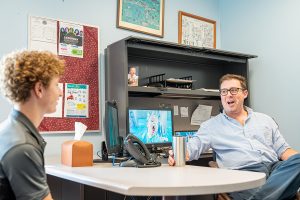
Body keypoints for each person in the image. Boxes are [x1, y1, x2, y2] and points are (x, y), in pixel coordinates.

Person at [168, 74, 300, 200]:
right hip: (243, 174)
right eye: (224, 91)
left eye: (233, 90)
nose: (228, 95)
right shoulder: (211, 126)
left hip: (275, 170)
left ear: (245, 93)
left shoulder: (265, 120)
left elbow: (284, 150)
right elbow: (192, 147)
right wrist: (178, 153)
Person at [0, 50, 65, 200]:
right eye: (56, 85)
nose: (60, 93)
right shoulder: (23, 147)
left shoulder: (10, 130)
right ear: (39, 89)